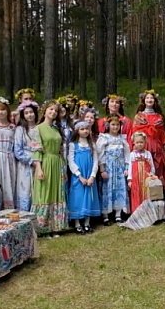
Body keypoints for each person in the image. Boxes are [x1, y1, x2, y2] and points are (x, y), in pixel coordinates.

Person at [132, 89, 165, 218]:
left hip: (157, 149)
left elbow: (163, 136)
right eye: (147, 98)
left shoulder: (159, 117)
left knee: (157, 175)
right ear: (143, 101)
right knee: (144, 177)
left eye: (152, 98)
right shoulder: (139, 116)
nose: (149, 100)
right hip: (143, 148)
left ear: (155, 101)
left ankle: (160, 208)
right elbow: (134, 136)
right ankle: (142, 207)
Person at [31, 100, 69, 234]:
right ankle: (42, 227)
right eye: (50, 109)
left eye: (55, 110)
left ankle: (56, 226)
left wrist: (63, 167)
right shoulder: (38, 129)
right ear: (45, 111)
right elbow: (36, 150)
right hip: (45, 162)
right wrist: (39, 168)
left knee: (56, 193)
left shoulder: (56, 129)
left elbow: (60, 150)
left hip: (57, 162)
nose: (53, 112)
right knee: (44, 193)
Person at [66, 120, 101, 233]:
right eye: (82, 129)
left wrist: (92, 176)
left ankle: (87, 223)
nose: (85, 131)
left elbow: (96, 161)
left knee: (89, 198)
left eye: (87, 129)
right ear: (77, 131)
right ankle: (77, 223)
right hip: (79, 177)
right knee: (77, 197)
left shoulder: (92, 145)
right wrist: (79, 175)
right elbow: (71, 161)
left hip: (89, 175)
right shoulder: (73, 145)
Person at [96, 115, 130, 224]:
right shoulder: (104, 138)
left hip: (119, 168)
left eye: (117, 125)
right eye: (113, 125)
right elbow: (100, 154)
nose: (115, 127)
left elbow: (127, 154)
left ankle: (118, 214)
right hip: (109, 168)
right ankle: (106, 214)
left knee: (120, 189)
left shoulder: (122, 139)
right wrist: (102, 169)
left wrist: (126, 167)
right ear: (108, 126)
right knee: (107, 189)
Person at [11, 101, 40, 212]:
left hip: (40, 163)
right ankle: (24, 214)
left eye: (31, 112)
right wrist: (31, 161)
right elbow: (17, 151)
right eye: (26, 113)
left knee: (37, 189)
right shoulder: (20, 130)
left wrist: (39, 162)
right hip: (25, 165)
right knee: (25, 190)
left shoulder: (39, 128)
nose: (29, 115)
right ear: (23, 115)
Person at [127, 132, 156, 212]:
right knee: (136, 194)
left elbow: (151, 165)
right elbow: (130, 167)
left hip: (145, 178)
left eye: (141, 142)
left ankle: (146, 212)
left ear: (145, 143)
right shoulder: (132, 154)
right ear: (134, 143)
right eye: (137, 142)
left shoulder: (148, 154)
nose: (139, 144)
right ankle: (137, 212)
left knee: (146, 193)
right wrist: (130, 180)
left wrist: (152, 174)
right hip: (136, 179)